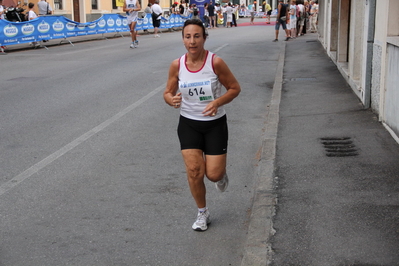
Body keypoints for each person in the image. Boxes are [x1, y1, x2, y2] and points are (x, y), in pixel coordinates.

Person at [163, 19, 241, 231]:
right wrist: (171, 100)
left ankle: (221, 174)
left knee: (213, 174)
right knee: (194, 171)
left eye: (197, 36)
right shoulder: (177, 65)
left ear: (204, 38)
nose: (192, 41)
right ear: (183, 40)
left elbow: (234, 88)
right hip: (189, 123)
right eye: (188, 37)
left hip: (215, 124)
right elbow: (167, 92)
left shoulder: (215, 62)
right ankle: (202, 212)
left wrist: (217, 102)